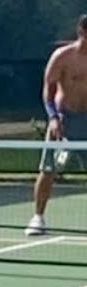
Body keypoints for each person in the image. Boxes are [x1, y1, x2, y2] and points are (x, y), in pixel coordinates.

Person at [26, 15, 87, 236]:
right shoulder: (62, 57)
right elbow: (48, 89)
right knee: (48, 168)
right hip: (63, 119)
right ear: (82, 32)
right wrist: (53, 117)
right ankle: (38, 217)